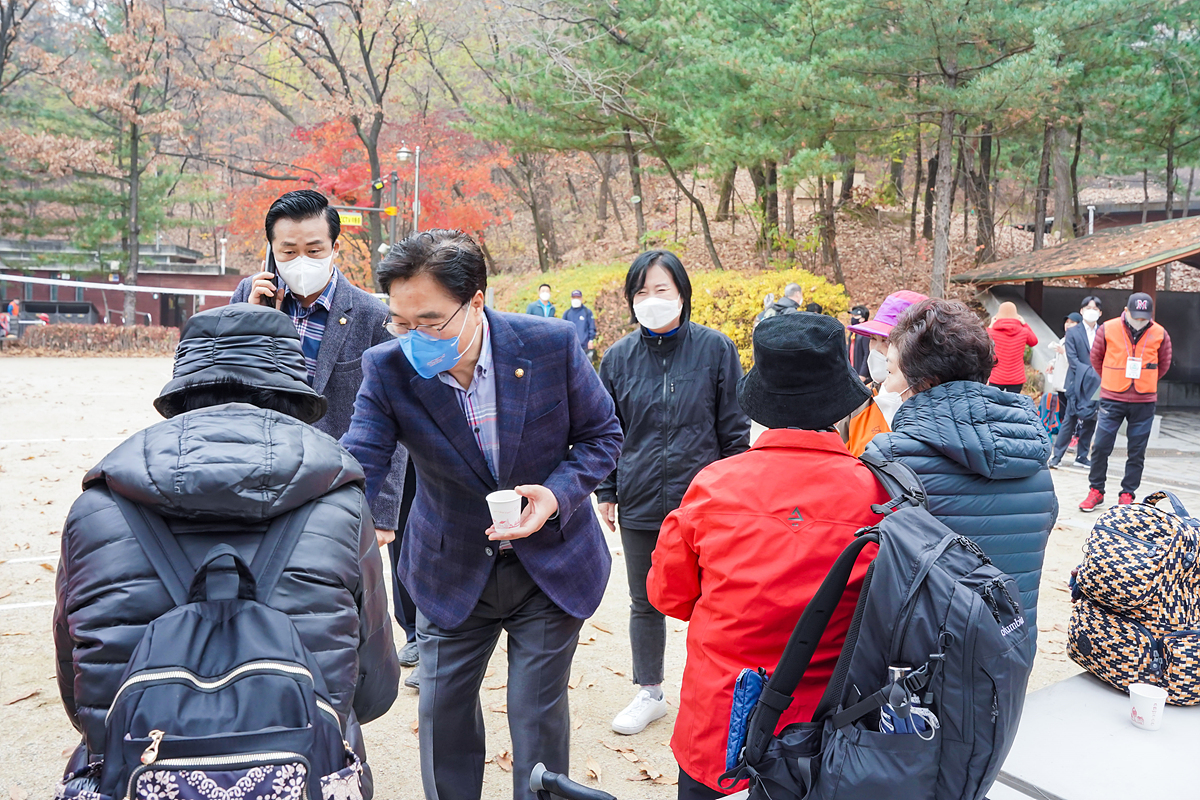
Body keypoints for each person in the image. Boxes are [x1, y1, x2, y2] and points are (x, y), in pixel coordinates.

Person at [53, 304, 400, 795]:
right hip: (301, 770)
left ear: (182, 393)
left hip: (139, 769)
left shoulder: (97, 509)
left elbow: (79, 690)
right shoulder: (341, 505)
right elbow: (374, 689)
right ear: (291, 392)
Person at [340, 230, 623, 800]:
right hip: (449, 565)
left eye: (430, 320)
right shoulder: (388, 367)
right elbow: (359, 460)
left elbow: (601, 436)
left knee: (537, 720)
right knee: (443, 719)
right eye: (401, 321)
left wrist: (555, 495)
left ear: (476, 300)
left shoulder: (550, 344)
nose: (414, 337)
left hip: (549, 563)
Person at [648, 313, 889, 799]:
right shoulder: (879, 493)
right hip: (828, 737)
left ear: (761, 404)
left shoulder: (713, 486)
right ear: (839, 406)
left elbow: (668, 597)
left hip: (720, 728)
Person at [228, 189, 420, 675]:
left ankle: (339, 680)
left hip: (336, 478)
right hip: (263, 472)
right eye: (287, 251)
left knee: (332, 593)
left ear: (335, 247)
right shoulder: (247, 298)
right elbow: (223, 384)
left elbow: (394, 422)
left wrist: (382, 509)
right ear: (270, 249)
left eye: (314, 249)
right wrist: (250, 320)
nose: (301, 260)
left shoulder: (373, 316)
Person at [596, 250, 750, 737]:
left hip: (705, 501)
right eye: (641, 292)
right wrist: (607, 489)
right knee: (645, 600)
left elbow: (733, 427)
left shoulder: (716, 349)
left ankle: (716, 692)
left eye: (661, 290)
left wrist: (733, 490)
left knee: (715, 600)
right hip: (640, 498)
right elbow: (607, 430)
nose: (651, 300)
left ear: (682, 294)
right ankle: (650, 691)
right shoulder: (618, 357)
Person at [865, 298, 1057, 630]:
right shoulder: (1032, 457)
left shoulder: (890, 456)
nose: (885, 382)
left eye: (892, 370)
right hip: (1010, 652)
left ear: (924, 383)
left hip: (918, 664)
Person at [1079, 292, 1172, 511]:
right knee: (1101, 445)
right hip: (1112, 397)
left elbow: (1164, 363)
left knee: (1137, 450)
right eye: (1136, 315)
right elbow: (1096, 358)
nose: (1140, 320)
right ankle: (1096, 490)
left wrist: (1146, 380)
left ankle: (1128, 493)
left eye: (1145, 316)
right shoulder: (1108, 328)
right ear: (1126, 311)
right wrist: (1112, 378)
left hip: (1144, 400)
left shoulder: (1160, 333)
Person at [1049, 298, 1103, 469]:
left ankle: (1082, 455)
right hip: (1077, 381)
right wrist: (1090, 373)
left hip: (1098, 382)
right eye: (1088, 308)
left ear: (1100, 313)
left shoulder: (1104, 332)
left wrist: (1099, 375)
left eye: (1095, 308)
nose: (1091, 311)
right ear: (1082, 311)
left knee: (1091, 419)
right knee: (1070, 418)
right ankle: (1057, 455)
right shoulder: (1073, 332)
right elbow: (1073, 359)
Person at [987, 301, 1037, 392]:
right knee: (1014, 405)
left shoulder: (992, 333)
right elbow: (1034, 341)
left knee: (994, 404)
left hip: (996, 377)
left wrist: (990, 326)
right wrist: (1025, 324)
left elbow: (982, 342)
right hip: (1016, 378)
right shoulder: (1024, 332)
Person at [562, 288, 597, 358]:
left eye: (578, 297)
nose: (576, 299)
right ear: (571, 299)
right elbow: (562, 330)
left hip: (585, 347)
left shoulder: (587, 312)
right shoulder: (567, 313)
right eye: (574, 297)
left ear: (581, 299)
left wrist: (591, 340)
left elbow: (591, 327)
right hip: (570, 347)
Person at [848, 304, 871, 379]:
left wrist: (863, 374)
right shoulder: (853, 333)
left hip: (861, 375)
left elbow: (867, 354)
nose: (852, 318)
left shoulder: (865, 334)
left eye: (855, 316)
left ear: (862, 319)